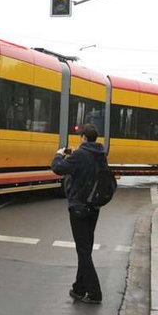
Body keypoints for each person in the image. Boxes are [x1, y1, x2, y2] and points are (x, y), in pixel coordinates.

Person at [51, 123, 106, 305]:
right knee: (86, 249)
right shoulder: (100, 154)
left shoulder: (81, 155)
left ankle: (95, 292)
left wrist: (59, 155)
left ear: (83, 137)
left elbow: (58, 168)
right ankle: (79, 288)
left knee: (83, 252)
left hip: (79, 207)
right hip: (94, 207)